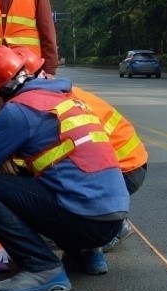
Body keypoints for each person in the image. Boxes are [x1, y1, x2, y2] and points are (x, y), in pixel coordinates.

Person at [0, 46, 129, 291]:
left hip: (85, 220)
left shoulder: (17, 111)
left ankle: (42, 267)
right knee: (50, 177)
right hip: (113, 221)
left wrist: (5, 155)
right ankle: (86, 254)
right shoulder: (66, 97)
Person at [12, 46, 147, 250]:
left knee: (53, 180)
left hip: (123, 170)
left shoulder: (45, 104)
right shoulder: (61, 90)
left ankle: (107, 230)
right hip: (133, 164)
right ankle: (106, 227)